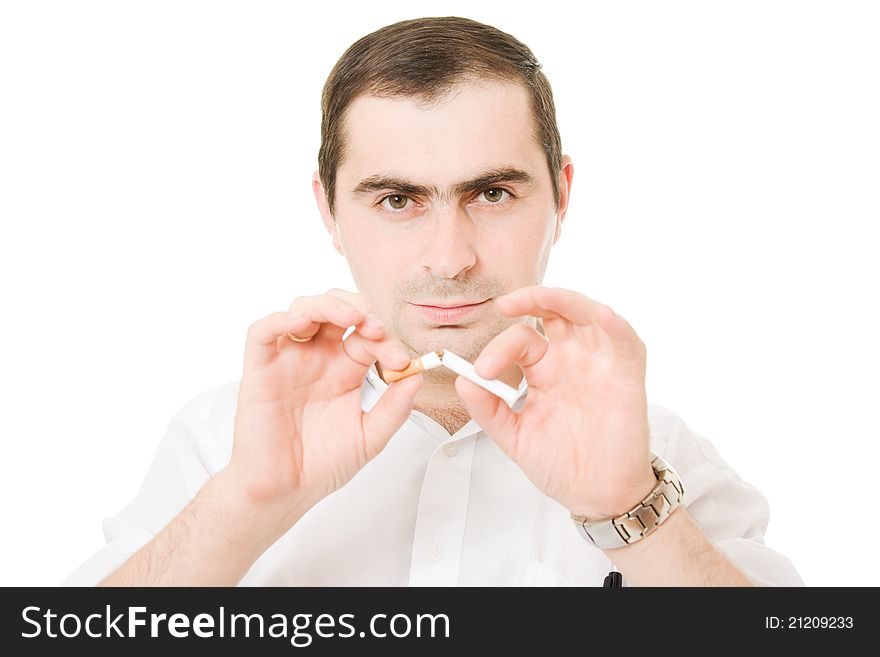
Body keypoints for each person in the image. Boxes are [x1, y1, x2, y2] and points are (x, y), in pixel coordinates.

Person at [63, 16, 803, 587]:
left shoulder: (655, 456)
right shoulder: (219, 441)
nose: (450, 258)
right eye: (396, 199)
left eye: (492, 192)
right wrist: (248, 503)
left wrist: (633, 517)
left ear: (562, 196)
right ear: (328, 211)